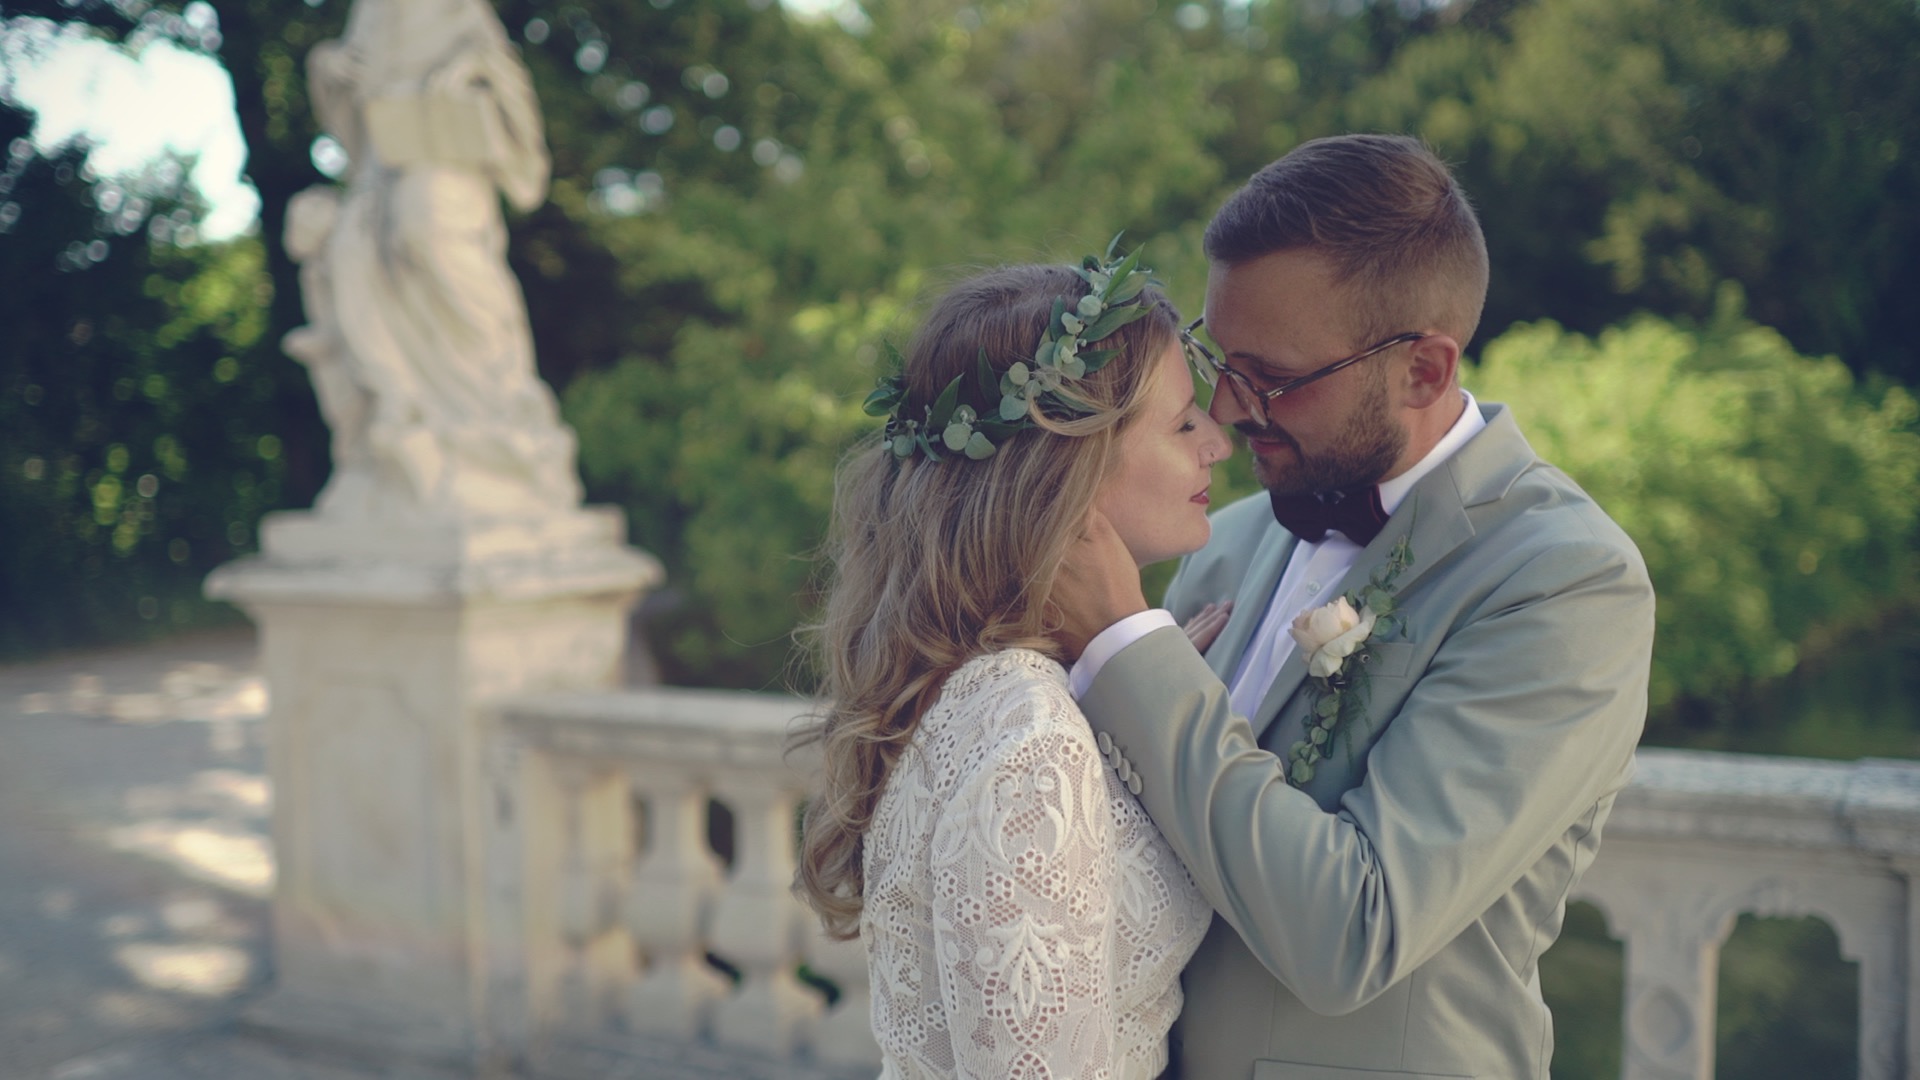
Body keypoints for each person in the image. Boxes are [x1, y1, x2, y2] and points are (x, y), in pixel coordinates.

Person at [1054, 135, 1657, 1079]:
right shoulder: (1225, 541)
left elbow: (1351, 936)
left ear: (1423, 371)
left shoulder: (1565, 582)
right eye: (1218, 358)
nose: (1226, 410)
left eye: (1273, 378)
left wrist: (1125, 644)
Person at [793, 250, 1231, 1078]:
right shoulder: (1030, 739)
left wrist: (1133, 688)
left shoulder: (1005, 693)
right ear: (1073, 466)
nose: (1217, 442)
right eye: (1183, 425)